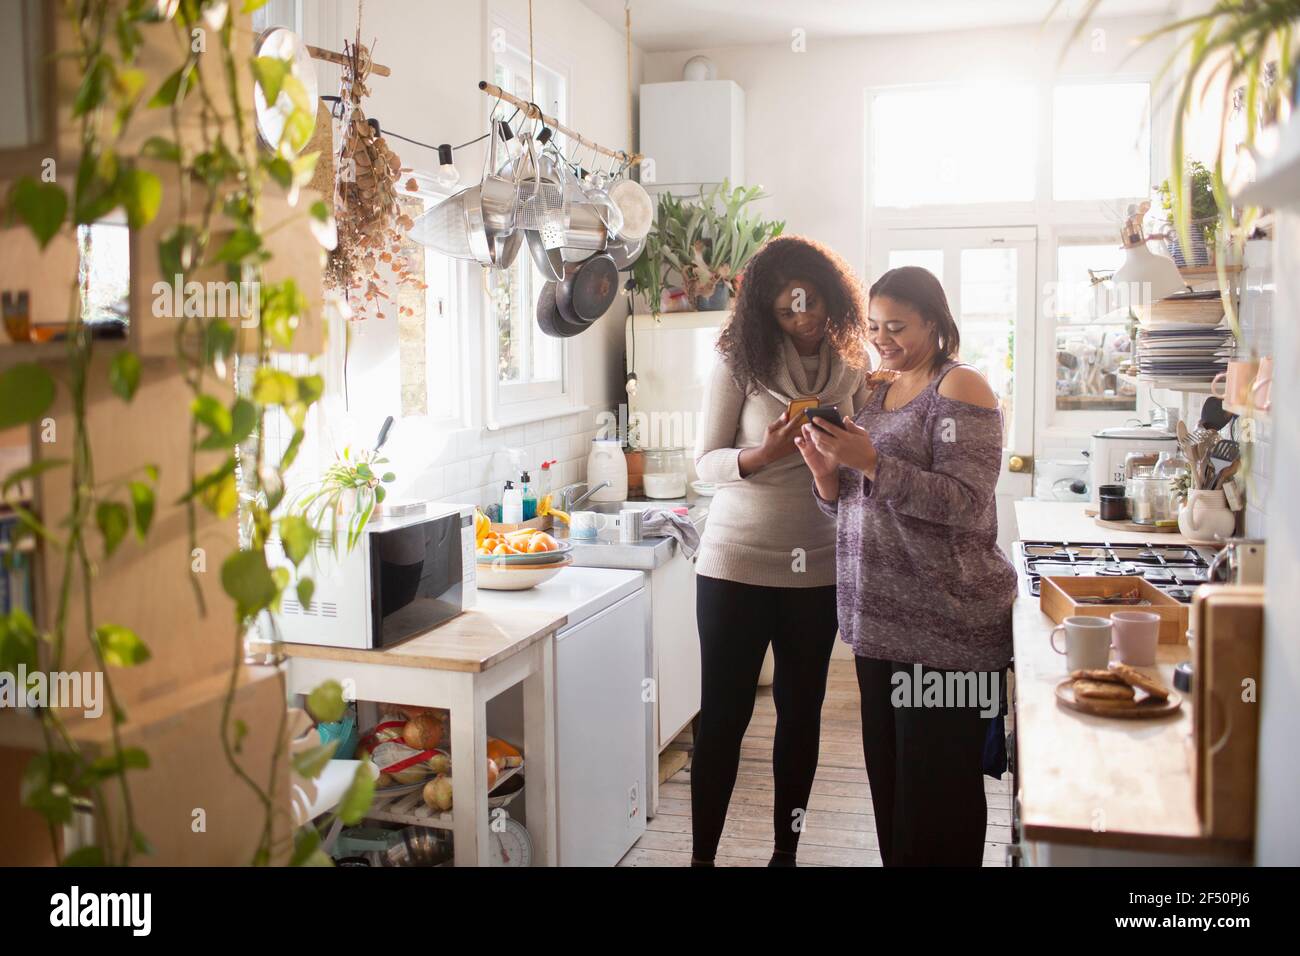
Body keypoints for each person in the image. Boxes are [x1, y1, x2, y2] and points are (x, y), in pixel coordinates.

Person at [795, 265, 1016, 867]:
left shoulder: (961, 388)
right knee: (893, 794)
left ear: (936, 323)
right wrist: (826, 475)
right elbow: (859, 501)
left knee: (936, 802)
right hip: (877, 625)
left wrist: (869, 463)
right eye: (874, 326)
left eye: (897, 326)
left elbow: (966, 503)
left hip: (945, 629)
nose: (883, 338)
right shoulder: (879, 390)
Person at [691, 235, 873, 867]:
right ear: (764, 312)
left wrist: (839, 452)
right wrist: (762, 455)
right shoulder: (737, 363)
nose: (802, 318)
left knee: (801, 719)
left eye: (812, 304)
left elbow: (864, 467)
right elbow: (704, 464)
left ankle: (784, 856)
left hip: (817, 569)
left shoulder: (854, 366)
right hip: (735, 565)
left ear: (833, 299)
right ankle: (702, 858)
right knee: (723, 720)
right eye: (787, 309)